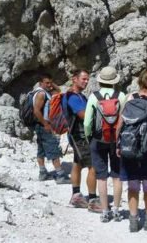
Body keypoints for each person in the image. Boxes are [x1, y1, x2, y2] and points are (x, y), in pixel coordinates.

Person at [118, 67, 147, 232]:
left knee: (132, 185)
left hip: (128, 146)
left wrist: (118, 145)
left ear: (140, 80)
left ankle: (133, 220)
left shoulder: (129, 97)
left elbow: (120, 123)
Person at [84, 66, 125, 223]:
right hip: (116, 141)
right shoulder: (121, 96)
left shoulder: (94, 97)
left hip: (98, 140)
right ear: (114, 81)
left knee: (101, 177)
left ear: (100, 80)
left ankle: (105, 211)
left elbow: (88, 123)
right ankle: (116, 210)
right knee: (117, 176)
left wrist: (90, 138)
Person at [65, 69, 101, 212]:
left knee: (77, 164)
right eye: (83, 79)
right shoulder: (73, 97)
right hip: (80, 136)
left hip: (77, 136)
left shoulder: (79, 96)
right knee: (93, 166)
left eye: (87, 80)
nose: (86, 82)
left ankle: (76, 196)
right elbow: (83, 115)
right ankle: (93, 201)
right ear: (74, 79)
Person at [32, 73, 70, 184]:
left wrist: (51, 84)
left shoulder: (40, 92)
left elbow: (59, 92)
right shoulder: (41, 94)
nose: (49, 85)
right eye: (47, 83)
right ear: (40, 83)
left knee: (41, 150)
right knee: (53, 149)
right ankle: (60, 175)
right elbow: (36, 111)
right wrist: (46, 124)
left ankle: (43, 173)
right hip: (44, 126)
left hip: (40, 126)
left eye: (50, 82)